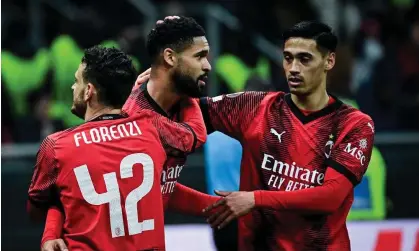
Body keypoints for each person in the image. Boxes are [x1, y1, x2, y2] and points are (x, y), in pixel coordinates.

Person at [39, 17, 219, 251]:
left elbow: (160, 187)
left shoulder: (175, 108)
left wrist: (219, 206)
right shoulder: (137, 120)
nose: (208, 65)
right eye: (199, 56)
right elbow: (193, 138)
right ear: (170, 58)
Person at [200, 21, 375, 250]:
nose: (293, 68)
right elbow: (183, 110)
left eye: (304, 59)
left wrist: (255, 199)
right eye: (288, 58)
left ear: (329, 61)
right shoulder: (253, 107)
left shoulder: (354, 124)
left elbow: (331, 197)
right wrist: (153, 87)